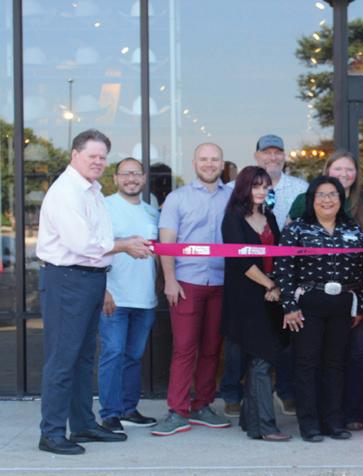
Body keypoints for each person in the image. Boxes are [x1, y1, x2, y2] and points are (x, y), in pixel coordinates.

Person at [37, 129, 152, 455]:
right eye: (92, 156)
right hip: (67, 280)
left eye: (103, 157)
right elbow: (82, 244)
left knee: (83, 357)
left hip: (90, 279)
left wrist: (120, 246)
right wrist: (124, 245)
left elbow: (98, 240)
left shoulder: (92, 191)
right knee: (62, 359)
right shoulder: (66, 192)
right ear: (75, 155)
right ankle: (52, 433)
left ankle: (83, 424)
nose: (99, 162)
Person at [274, 176, 363, 442]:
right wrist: (289, 306)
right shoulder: (297, 229)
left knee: (335, 364)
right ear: (311, 199)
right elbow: (283, 270)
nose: (327, 200)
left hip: (342, 306)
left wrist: (360, 305)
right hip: (308, 305)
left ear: (341, 199)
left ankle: (334, 422)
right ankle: (310, 424)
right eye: (321, 194)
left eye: (333, 194)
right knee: (307, 364)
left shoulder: (353, 229)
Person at [152, 143, 232, 436]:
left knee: (212, 349)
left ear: (222, 163)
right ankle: (177, 410)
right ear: (194, 162)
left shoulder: (233, 197)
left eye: (214, 159)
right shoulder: (177, 198)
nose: (209, 164)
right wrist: (170, 280)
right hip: (187, 283)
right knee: (185, 349)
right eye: (203, 159)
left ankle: (202, 406)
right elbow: (167, 243)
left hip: (222, 283)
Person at [221, 166, 290, 442]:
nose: (261, 191)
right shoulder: (232, 218)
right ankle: (266, 426)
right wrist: (269, 285)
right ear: (244, 188)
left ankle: (251, 421)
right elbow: (241, 261)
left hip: (270, 297)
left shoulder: (269, 217)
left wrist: (277, 286)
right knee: (261, 359)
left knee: (260, 360)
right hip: (245, 298)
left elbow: (279, 254)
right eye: (255, 186)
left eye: (265, 186)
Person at [98, 158, 160, 434]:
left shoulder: (152, 212)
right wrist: (103, 289)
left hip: (144, 298)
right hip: (115, 296)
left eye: (136, 174)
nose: (131, 179)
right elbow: (93, 249)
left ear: (144, 178)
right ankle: (110, 414)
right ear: (115, 178)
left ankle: (128, 409)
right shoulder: (104, 207)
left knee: (133, 356)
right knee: (113, 354)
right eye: (125, 174)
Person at [254, 133, 307, 416]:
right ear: (257, 156)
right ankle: (243, 395)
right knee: (251, 337)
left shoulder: (301, 188)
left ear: (285, 157)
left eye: (277, 152)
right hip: (252, 274)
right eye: (267, 152)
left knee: (288, 336)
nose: (272, 157)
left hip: (290, 273)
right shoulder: (239, 187)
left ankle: (285, 391)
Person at [288, 150, 363, 232]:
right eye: (338, 169)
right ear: (327, 171)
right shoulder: (304, 200)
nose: (344, 174)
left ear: (356, 173)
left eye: (349, 169)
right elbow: (290, 232)